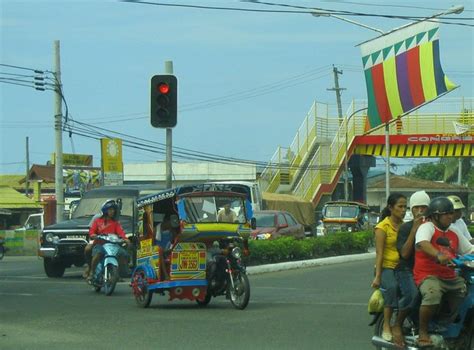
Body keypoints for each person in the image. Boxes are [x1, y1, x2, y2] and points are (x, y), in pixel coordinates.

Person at [414, 197, 473, 347]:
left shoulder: (453, 230)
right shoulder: (427, 227)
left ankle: (445, 324)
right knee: (433, 294)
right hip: (428, 274)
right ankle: (423, 332)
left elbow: (469, 249)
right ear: (435, 215)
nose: (450, 216)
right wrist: (438, 254)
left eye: (451, 213)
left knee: (464, 292)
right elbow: (422, 243)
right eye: (446, 214)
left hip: (450, 275)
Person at [392, 190, 430, 347]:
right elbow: (405, 254)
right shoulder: (406, 228)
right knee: (413, 294)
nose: (420, 211)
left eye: (423, 207)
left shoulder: (432, 227)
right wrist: (414, 229)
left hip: (427, 269)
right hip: (406, 269)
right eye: (416, 207)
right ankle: (397, 324)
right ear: (411, 209)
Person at [371, 193, 407, 343]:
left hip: (402, 267)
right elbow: (379, 253)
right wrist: (378, 276)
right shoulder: (382, 227)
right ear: (391, 208)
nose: (404, 210)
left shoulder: (405, 225)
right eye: (400, 206)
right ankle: (386, 324)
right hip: (386, 267)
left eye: (405, 206)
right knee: (391, 287)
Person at [87, 199, 129, 282]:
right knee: (98, 254)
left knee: (123, 254)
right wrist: (93, 235)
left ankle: (117, 273)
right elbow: (92, 231)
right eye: (110, 210)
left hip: (113, 245)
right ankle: (92, 272)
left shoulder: (115, 223)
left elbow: (121, 233)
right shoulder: (97, 221)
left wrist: (125, 239)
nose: (112, 212)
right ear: (105, 211)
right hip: (100, 244)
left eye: (113, 210)